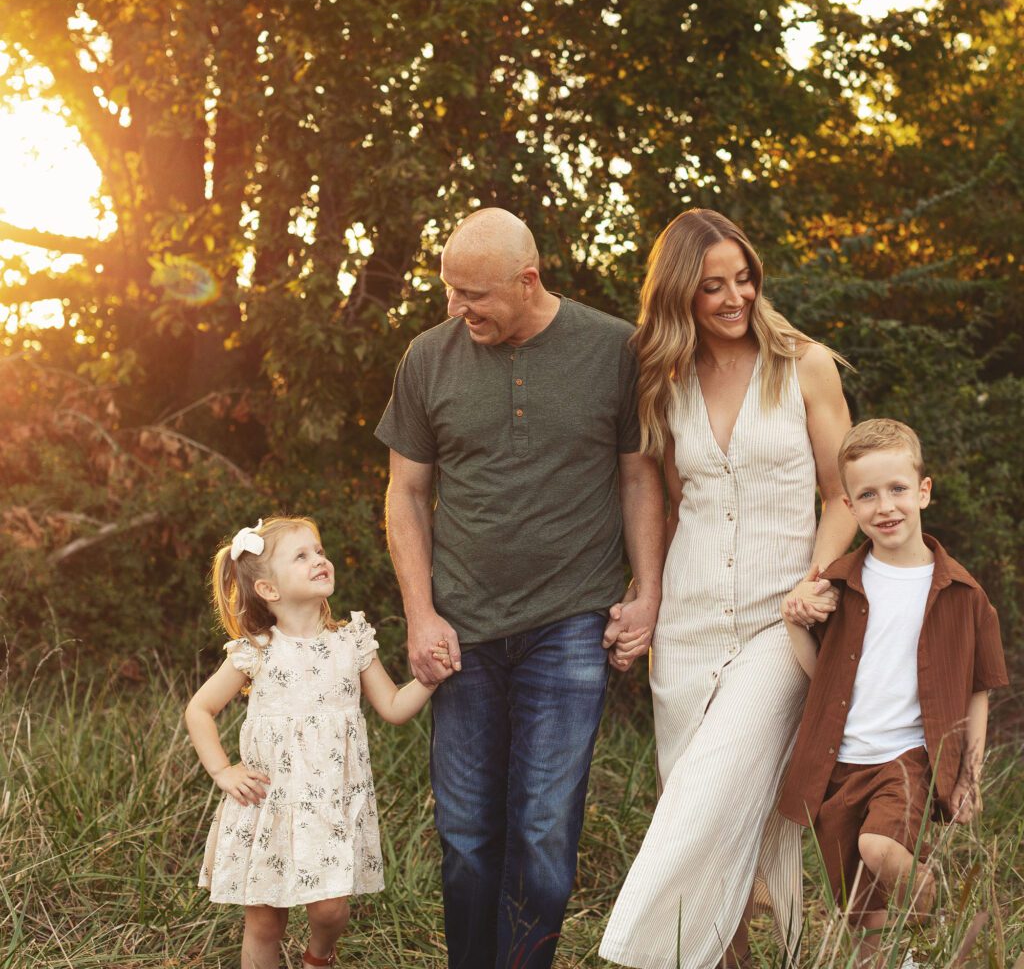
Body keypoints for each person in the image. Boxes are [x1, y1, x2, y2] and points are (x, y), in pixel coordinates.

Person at [375, 207, 664, 969]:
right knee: (467, 833)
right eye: (448, 291)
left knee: (543, 834)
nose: (457, 309)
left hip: (570, 622)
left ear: (527, 281)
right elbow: (405, 494)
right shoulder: (427, 358)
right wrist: (420, 614)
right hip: (462, 625)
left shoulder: (613, 350)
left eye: (474, 295)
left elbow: (639, 478)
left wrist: (647, 591)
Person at [600, 208, 856, 968]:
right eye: (713, 286)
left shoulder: (805, 364)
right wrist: (645, 596)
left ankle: (637, 953)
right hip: (687, 624)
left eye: (743, 279)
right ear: (681, 293)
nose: (734, 297)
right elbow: (670, 499)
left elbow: (842, 492)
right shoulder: (665, 379)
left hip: (782, 621)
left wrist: (816, 581)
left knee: (708, 798)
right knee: (711, 813)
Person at [777, 419, 1008, 962]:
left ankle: (935, 904)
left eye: (898, 489)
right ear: (850, 507)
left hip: (908, 759)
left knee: (880, 847)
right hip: (843, 762)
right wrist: (792, 623)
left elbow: (980, 690)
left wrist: (969, 776)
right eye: (868, 495)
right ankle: (898, 955)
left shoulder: (963, 594)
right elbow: (823, 678)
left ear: (923, 491)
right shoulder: (839, 582)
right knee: (861, 920)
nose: (886, 506)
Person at [185, 516, 450, 969]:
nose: (319, 560)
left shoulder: (351, 643)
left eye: (319, 551)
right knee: (265, 924)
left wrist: (428, 679)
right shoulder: (257, 649)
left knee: (331, 910)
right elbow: (199, 710)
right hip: (269, 803)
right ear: (269, 589)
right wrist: (222, 770)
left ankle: (319, 955)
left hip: (330, 805)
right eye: (302, 556)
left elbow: (392, 706)